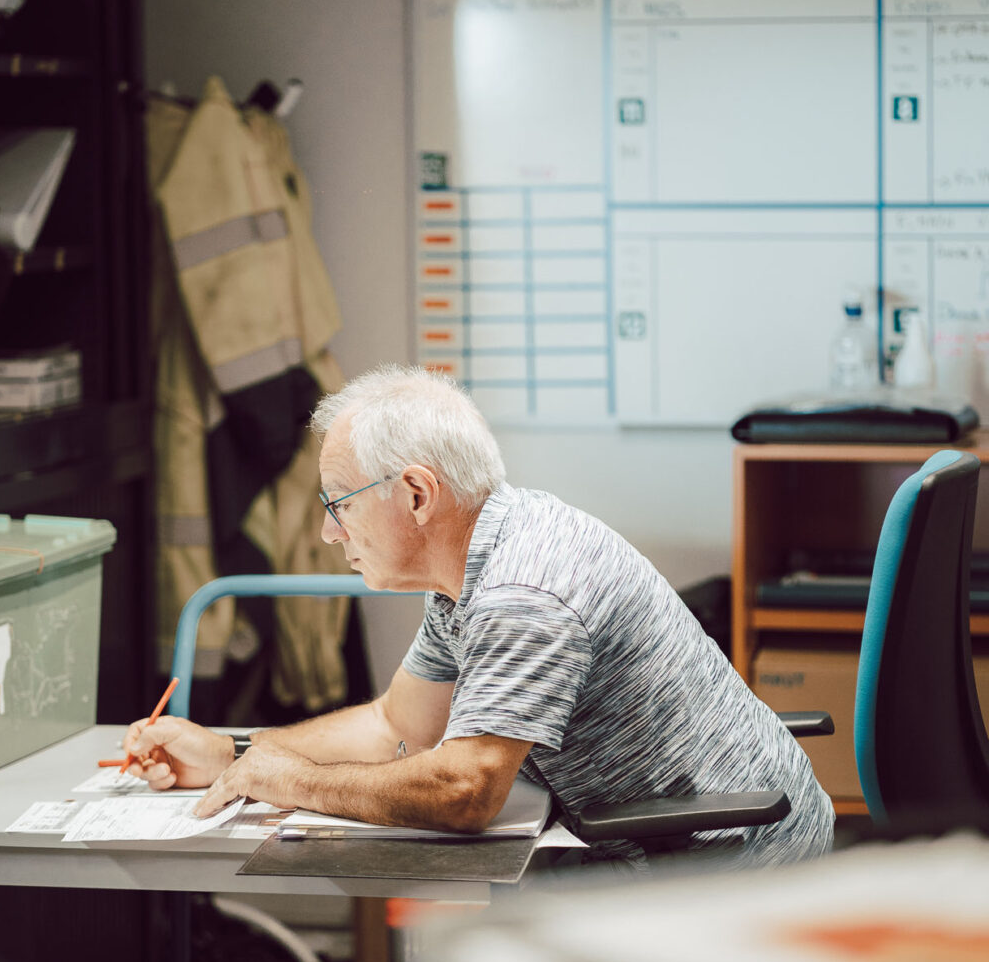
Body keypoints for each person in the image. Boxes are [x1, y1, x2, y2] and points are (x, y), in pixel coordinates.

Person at [125, 365, 834, 865]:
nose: (329, 532)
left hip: (734, 863)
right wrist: (233, 754)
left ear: (416, 495)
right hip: (683, 838)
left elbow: (465, 792)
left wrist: (290, 779)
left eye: (339, 504)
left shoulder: (522, 591)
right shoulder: (480, 556)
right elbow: (399, 726)